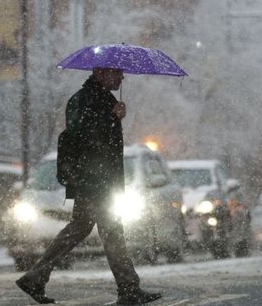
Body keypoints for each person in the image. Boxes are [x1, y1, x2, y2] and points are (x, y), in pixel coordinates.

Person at [16, 68, 161, 305]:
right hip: (92, 181)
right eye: (117, 74)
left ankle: (36, 277)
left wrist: (114, 117)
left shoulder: (103, 99)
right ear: (102, 73)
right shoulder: (83, 99)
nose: (122, 78)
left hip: (99, 180)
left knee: (85, 227)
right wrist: (112, 118)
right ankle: (128, 288)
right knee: (108, 230)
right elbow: (82, 137)